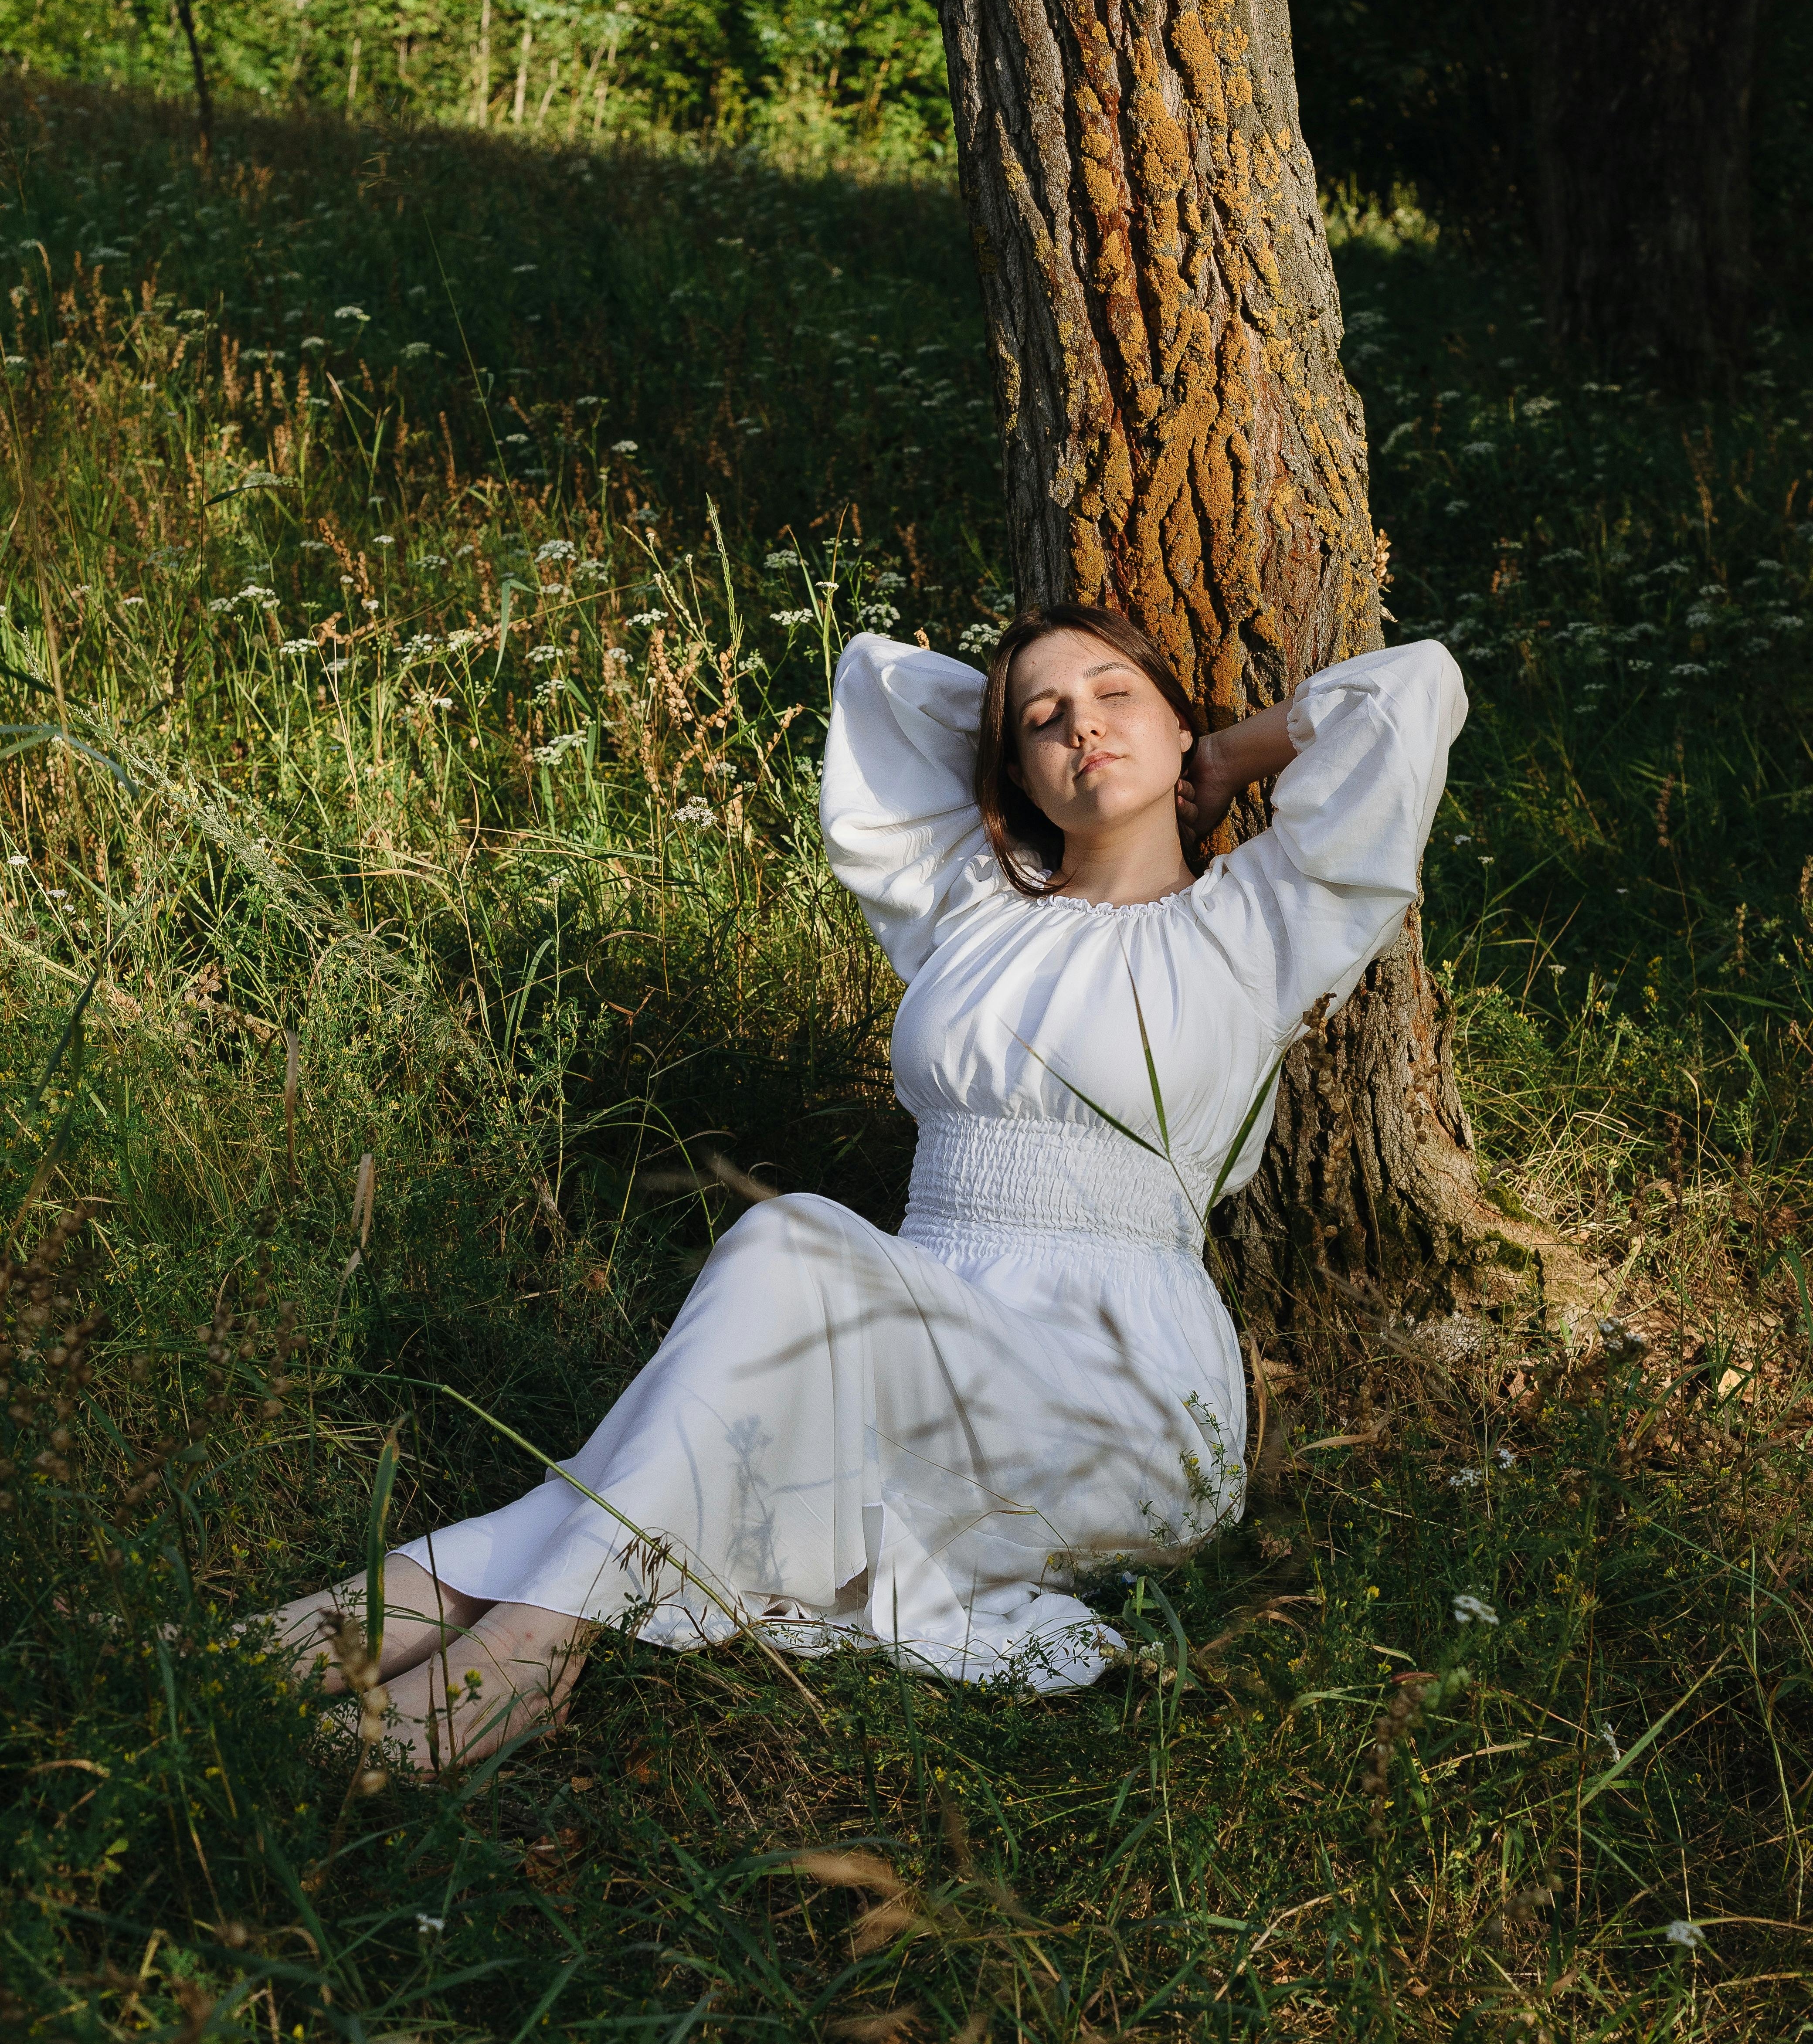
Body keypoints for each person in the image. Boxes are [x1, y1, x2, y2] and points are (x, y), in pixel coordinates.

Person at [269, 608, 1466, 1762]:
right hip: (913, 1316)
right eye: (1043, 719)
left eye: (1116, 697)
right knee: (790, 1279)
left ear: (1174, 723)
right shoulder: (973, 909)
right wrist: (1042, 742)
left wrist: (1229, 753)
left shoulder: (1255, 927)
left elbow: (1412, 693)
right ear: (1015, 773)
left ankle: (506, 1641)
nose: (1082, 727)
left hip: (1121, 1383)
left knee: (789, 1248)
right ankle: (416, 1627)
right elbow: (881, 685)